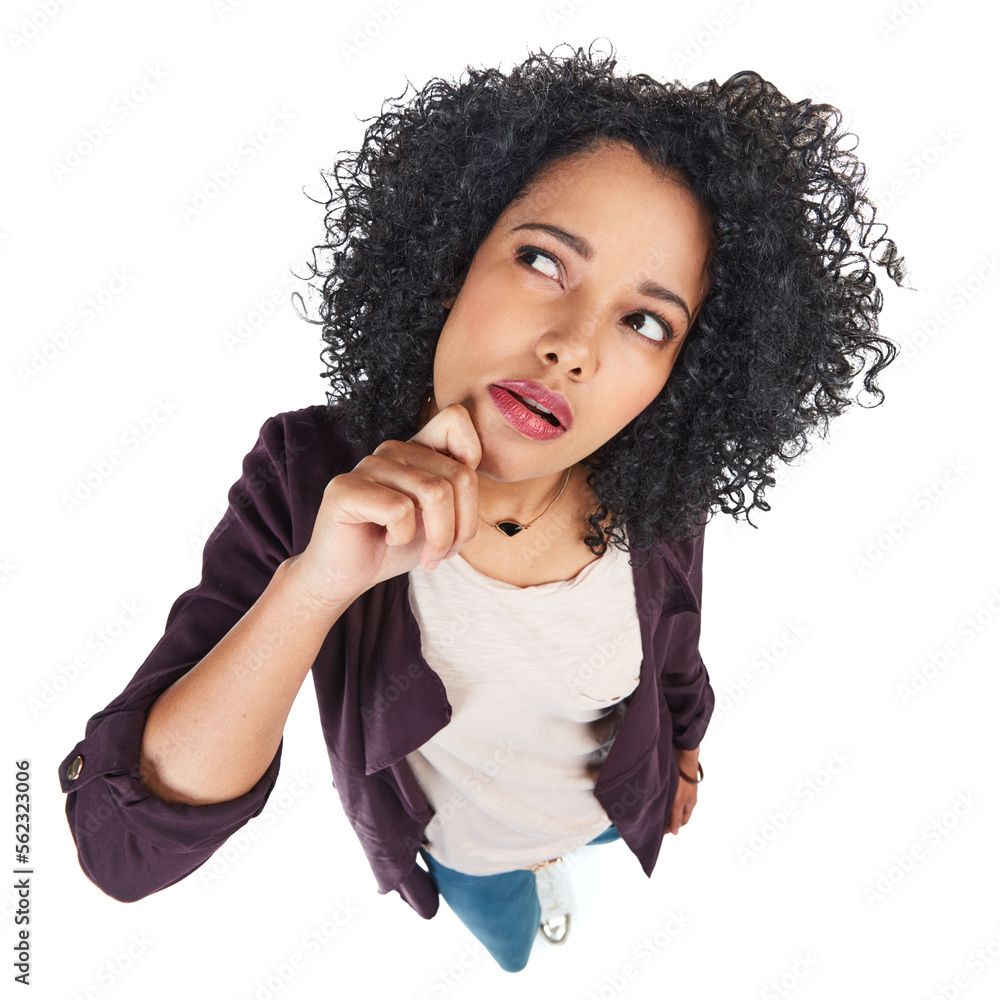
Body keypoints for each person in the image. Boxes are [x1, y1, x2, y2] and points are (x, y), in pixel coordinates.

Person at [58, 42, 907, 973]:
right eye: (545, 260)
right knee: (510, 951)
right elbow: (124, 853)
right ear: (453, 252)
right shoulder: (309, 477)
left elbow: (676, 643)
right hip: (461, 858)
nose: (574, 347)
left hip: (616, 806)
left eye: (647, 321)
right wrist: (315, 587)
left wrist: (686, 749)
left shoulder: (658, 495)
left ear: (680, 378)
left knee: (589, 866)